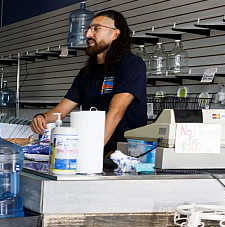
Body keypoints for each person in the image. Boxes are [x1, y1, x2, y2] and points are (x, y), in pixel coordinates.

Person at [29, 10, 147, 153]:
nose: (88, 35)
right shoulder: (86, 73)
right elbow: (60, 111)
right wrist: (42, 117)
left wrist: (91, 152)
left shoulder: (132, 65)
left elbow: (116, 112)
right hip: (94, 154)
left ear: (115, 34)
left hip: (124, 157)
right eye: (89, 29)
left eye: (96, 28)